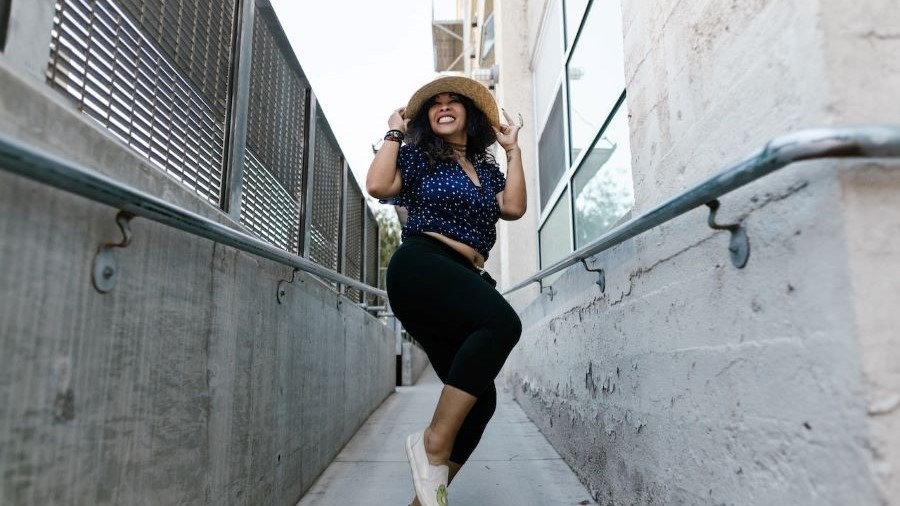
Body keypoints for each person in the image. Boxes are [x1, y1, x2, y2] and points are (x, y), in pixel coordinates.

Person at [366, 75, 526, 506]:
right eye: (435, 103)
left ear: (468, 115)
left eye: (453, 101)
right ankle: (433, 442)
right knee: (502, 322)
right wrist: (395, 131)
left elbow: (512, 208)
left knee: (482, 401)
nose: (443, 106)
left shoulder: (487, 170)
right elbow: (378, 186)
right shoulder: (418, 158)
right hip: (422, 265)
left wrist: (512, 150)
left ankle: (424, 499)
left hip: (462, 277)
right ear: (427, 117)